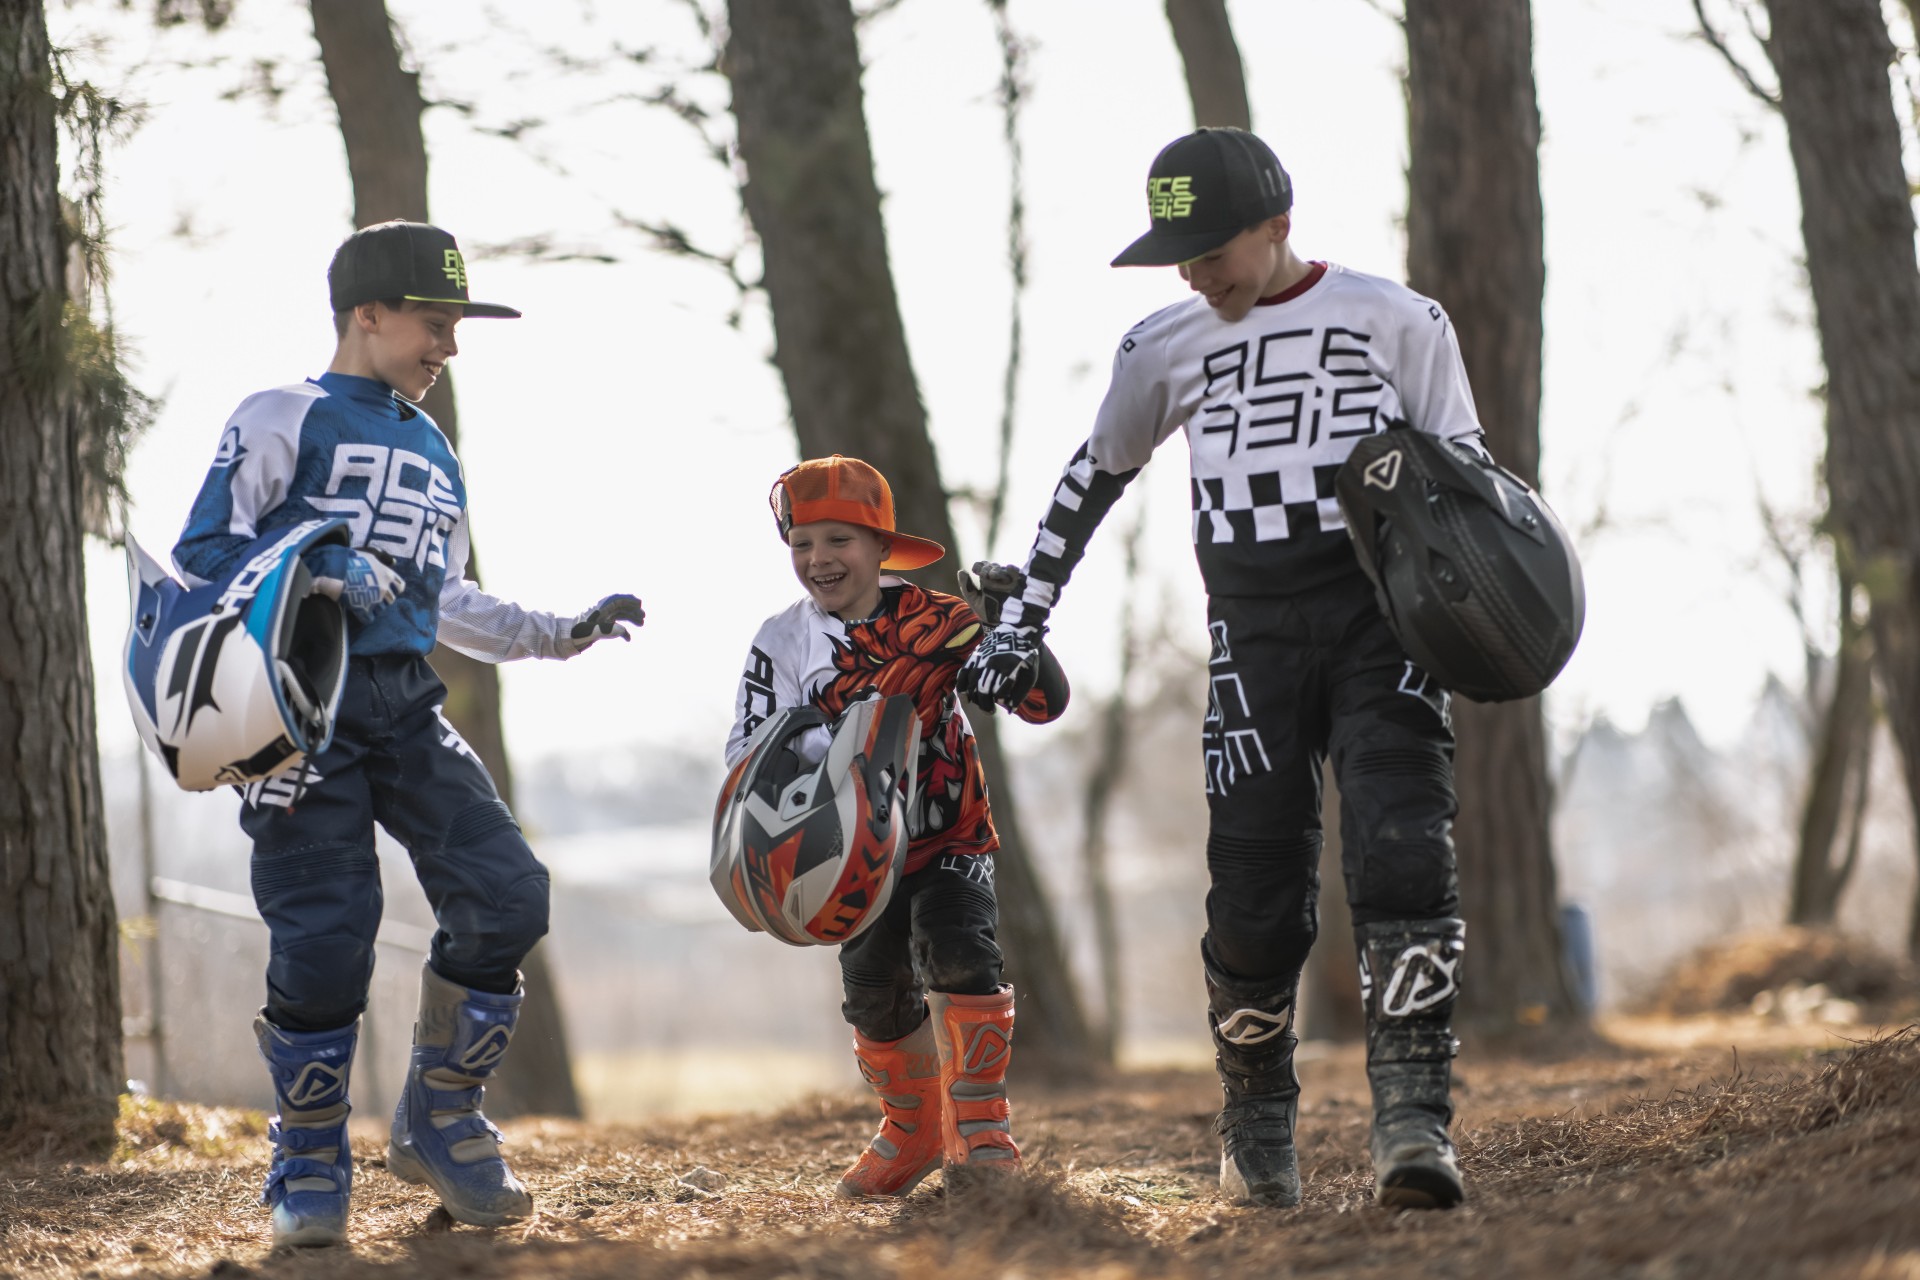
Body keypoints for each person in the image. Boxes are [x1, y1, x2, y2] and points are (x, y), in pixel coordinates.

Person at [958, 127, 1479, 1211]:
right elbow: (1090, 478)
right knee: (1252, 897)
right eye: (1179, 251)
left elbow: (1471, 481)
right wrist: (1025, 615)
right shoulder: (1163, 344)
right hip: (1252, 636)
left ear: (1278, 223)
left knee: (1402, 850)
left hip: (1386, 626)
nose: (1196, 269)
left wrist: (1485, 613)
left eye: (1212, 247)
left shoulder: (1399, 318)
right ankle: (1255, 1124)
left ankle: (1414, 1119)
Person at [171, 221, 646, 1247]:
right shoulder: (280, 414)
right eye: (435, 324)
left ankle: (443, 1116)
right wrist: (323, 563)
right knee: (325, 931)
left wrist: (560, 632)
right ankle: (307, 1148)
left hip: (406, 706)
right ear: (367, 314)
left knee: (509, 890)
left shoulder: (435, 449)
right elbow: (206, 549)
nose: (449, 348)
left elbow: (448, 597)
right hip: (299, 713)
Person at [724, 455, 1066, 1197]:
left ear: (882, 546)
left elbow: (1039, 705)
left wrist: (1016, 631)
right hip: (852, 853)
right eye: (803, 543)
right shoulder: (781, 643)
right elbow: (749, 754)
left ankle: (980, 1128)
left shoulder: (942, 621)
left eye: (839, 540)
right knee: (872, 989)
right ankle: (911, 1129)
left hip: (948, 833)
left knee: (959, 952)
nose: (819, 559)